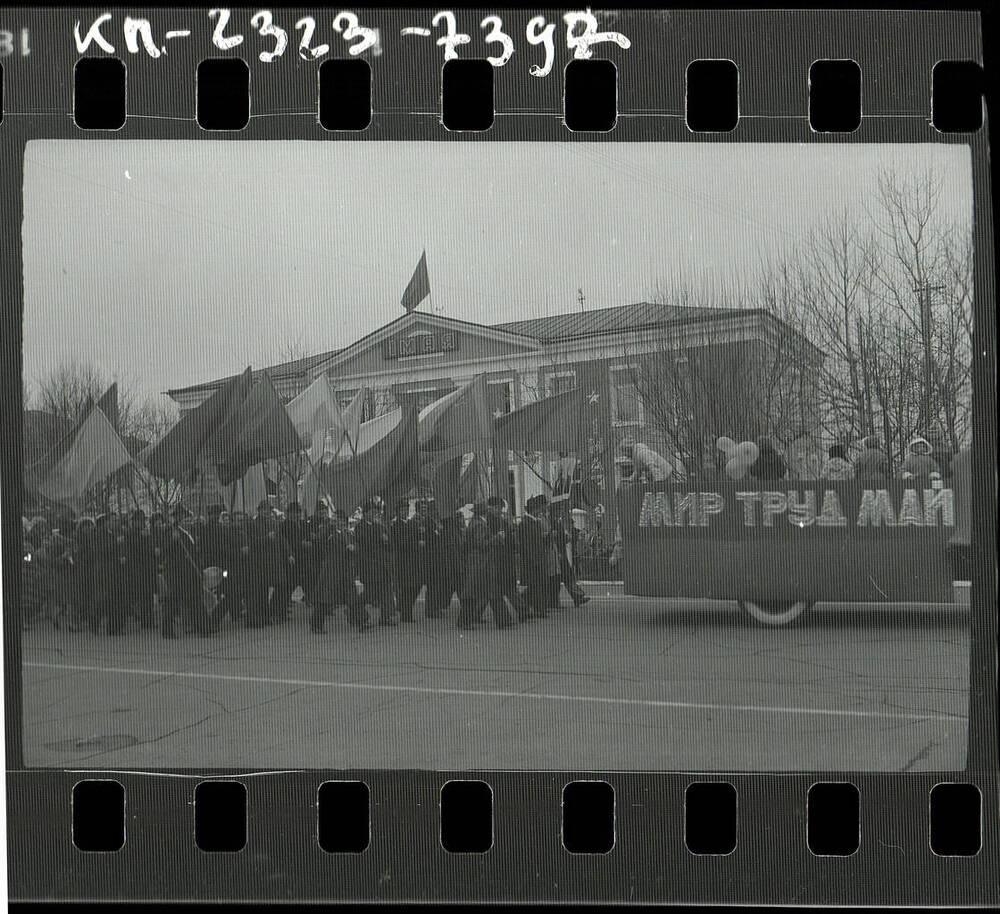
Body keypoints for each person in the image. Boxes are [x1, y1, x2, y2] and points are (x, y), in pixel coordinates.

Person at [310, 508, 370, 633]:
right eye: (338, 521)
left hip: (346, 571)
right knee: (325, 600)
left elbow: (358, 547)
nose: (340, 523)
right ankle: (316, 625)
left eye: (343, 521)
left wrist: (354, 548)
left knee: (352, 597)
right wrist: (329, 525)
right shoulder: (329, 532)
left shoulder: (349, 534)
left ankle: (360, 621)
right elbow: (320, 539)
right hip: (331, 570)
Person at [457, 501, 512, 629]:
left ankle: (464, 620)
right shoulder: (480, 525)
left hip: (478, 563)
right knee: (487, 592)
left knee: (477, 593)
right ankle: (502, 620)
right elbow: (482, 544)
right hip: (481, 563)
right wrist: (497, 538)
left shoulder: (475, 523)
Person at [354, 498, 398, 626]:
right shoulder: (360, 527)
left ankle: (386, 617)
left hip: (381, 565)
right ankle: (355, 609)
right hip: (369, 566)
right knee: (370, 594)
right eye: (372, 511)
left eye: (375, 511)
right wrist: (379, 535)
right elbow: (364, 542)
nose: (374, 514)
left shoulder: (379, 526)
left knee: (386, 592)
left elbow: (389, 543)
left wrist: (385, 538)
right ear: (365, 513)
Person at [484, 496, 526, 625]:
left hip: (505, 557)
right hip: (496, 559)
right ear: (491, 508)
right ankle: (513, 615)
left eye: (500, 508)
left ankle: (521, 611)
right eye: (497, 508)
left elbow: (509, 537)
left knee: (507, 587)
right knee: (498, 590)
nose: (500, 510)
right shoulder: (488, 521)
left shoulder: (501, 520)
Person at [518, 495, 557, 619]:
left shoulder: (535, 522)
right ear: (533, 509)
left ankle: (531, 606)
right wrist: (532, 559)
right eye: (537, 509)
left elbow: (538, 541)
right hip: (532, 560)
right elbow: (526, 544)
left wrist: (546, 537)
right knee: (536, 585)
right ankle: (536, 609)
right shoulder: (525, 523)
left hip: (539, 558)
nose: (539, 510)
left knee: (539, 585)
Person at [124, 509, 157, 629]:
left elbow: (150, 549)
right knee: (142, 596)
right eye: (140, 521)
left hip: (147, 568)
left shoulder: (145, 532)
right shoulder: (131, 533)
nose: (142, 523)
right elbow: (135, 550)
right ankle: (145, 620)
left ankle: (149, 620)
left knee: (148, 596)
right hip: (138, 568)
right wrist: (143, 539)